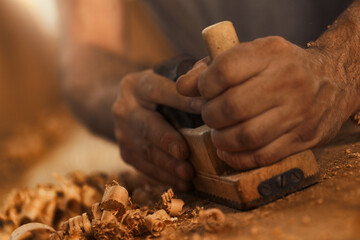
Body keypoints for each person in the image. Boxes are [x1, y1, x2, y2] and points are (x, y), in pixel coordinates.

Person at [59, 0, 359, 191]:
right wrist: (122, 99)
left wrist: (338, 66)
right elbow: (86, 60)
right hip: (223, 139)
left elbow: (339, 66)